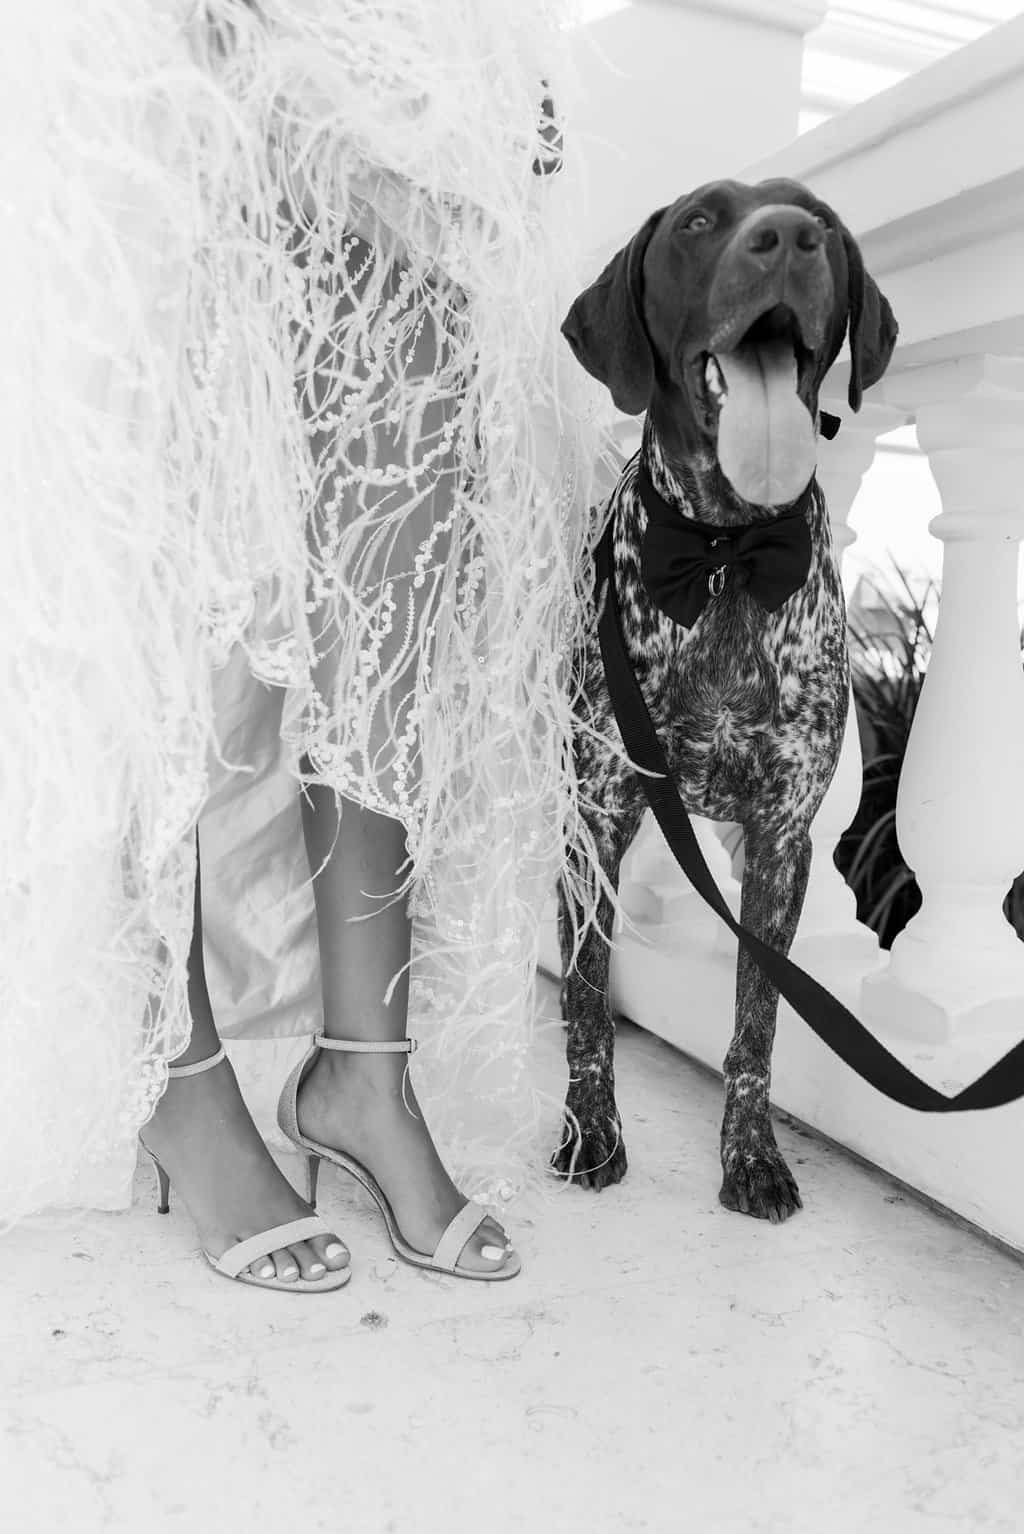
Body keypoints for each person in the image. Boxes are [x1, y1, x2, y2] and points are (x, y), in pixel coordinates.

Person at [1, 0, 603, 1287]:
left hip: (412, 55)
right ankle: (177, 1069)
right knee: (160, 560)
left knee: (388, 590)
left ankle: (363, 1077)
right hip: (187, 49)